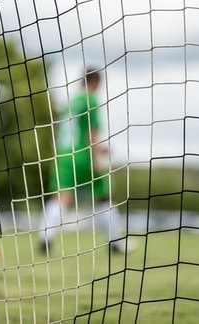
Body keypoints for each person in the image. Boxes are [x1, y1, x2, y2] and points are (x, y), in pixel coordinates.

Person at [38, 68, 130, 254]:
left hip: (63, 155)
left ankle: (45, 239)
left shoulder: (70, 102)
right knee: (104, 197)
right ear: (95, 81)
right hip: (83, 155)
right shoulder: (91, 100)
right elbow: (91, 131)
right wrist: (99, 153)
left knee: (61, 198)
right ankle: (116, 242)